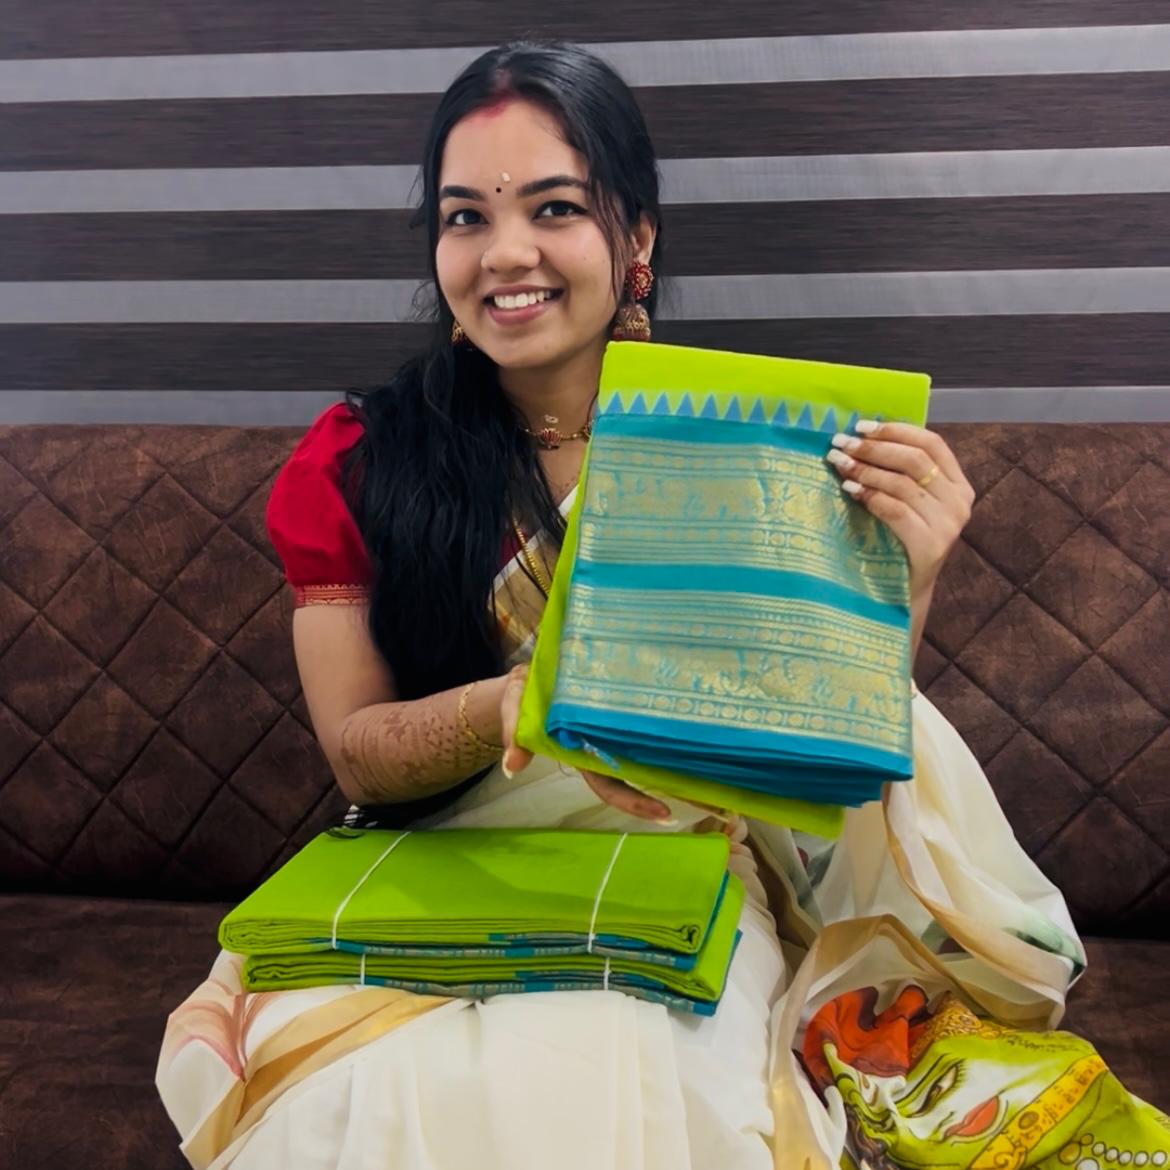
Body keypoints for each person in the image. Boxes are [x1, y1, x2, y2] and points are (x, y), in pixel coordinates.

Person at [156, 40, 1168, 1170]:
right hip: (425, 879)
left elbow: (811, 743)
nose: (506, 254)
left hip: (676, 876)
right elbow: (356, 754)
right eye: (463, 217)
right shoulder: (356, 462)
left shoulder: (752, 451)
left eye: (554, 208)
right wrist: (522, 707)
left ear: (634, 239)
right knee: (364, 1109)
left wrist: (907, 579)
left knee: (613, 1087)